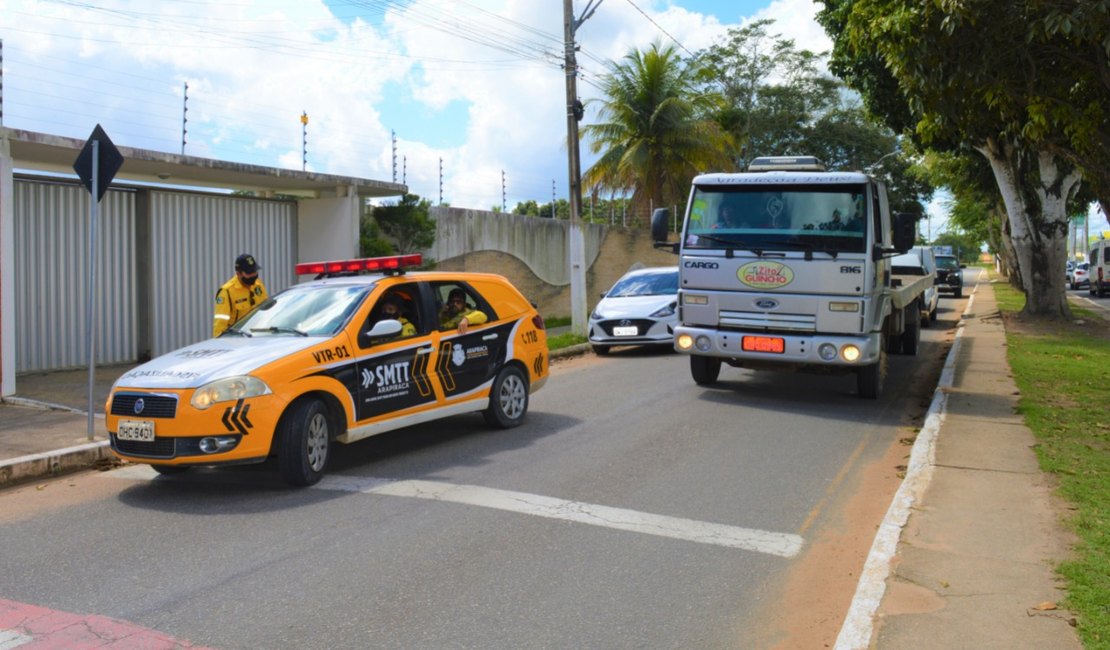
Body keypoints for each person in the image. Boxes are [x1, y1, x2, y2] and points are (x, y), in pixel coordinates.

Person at [213, 253, 268, 336]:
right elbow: (220, 324)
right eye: (249, 273)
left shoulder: (259, 285)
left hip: (258, 336)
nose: (254, 275)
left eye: (255, 271)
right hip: (237, 339)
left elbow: (266, 312)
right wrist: (219, 343)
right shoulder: (226, 292)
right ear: (239, 273)